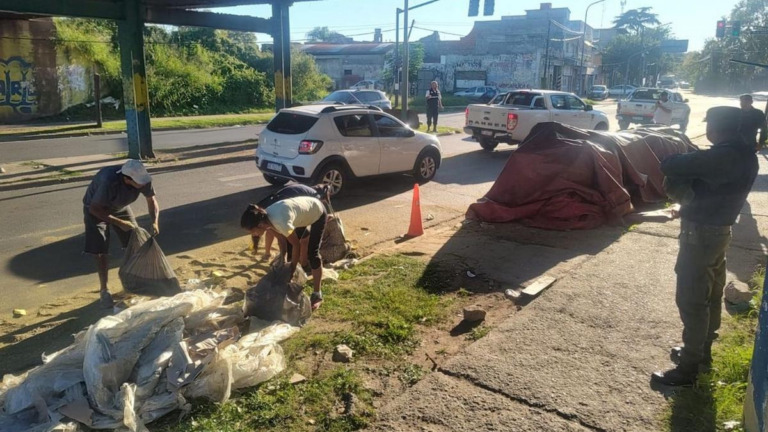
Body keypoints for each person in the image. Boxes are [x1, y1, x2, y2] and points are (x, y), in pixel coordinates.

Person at [651, 106, 758, 387]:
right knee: (710, 294)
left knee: (691, 299)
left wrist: (684, 157)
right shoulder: (746, 154)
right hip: (720, 232)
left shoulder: (723, 156)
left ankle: (688, 368)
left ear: (715, 127)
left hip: (701, 234)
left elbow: (670, 164)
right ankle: (701, 352)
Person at [83, 160, 160, 308]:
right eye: (139, 183)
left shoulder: (143, 179)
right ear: (127, 179)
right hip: (96, 209)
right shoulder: (109, 181)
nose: (143, 185)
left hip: (120, 207)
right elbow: (95, 209)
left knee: (135, 240)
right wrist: (120, 223)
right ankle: (104, 290)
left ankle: (131, 283)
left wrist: (155, 221)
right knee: (100, 250)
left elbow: (152, 201)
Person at [241, 196, 328, 310]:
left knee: (313, 254)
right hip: (300, 216)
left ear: (260, 225)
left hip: (316, 212)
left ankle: (317, 294)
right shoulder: (266, 220)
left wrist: (291, 270)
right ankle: (292, 288)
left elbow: (296, 244)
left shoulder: (279, 221)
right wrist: (283, 261)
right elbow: (282, 242)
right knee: (291, 256)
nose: (253, 235)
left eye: (252, 231)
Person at [251, 184, 329, 263]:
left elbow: (280, 236)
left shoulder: (307, 193)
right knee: (302, 238)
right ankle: (302, 263)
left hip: (279, 204)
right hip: (286, 206)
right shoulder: (315, 198)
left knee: (297, 238)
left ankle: (299, 262)